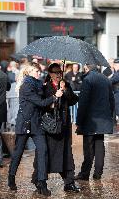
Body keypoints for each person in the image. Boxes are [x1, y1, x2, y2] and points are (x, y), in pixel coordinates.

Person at [8, 62, 63, 196]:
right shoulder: (26, 86)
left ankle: (42, 183)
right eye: (36, 71)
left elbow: (45, 94)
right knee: (18, 152)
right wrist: (55, 96)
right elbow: (41, 102)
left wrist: (58, 87)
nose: (39, 73)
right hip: (25, 124)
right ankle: (11, 177)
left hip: (37, 124)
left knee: (43, 151)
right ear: (29, 72)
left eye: (39, 71)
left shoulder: (39, 85)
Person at [32, 63, 80, 193]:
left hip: (63, 126)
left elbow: (74, 100)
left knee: (66, 154)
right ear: (50, 74)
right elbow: (41, 104)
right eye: (55, 72)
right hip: (50, 126)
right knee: (46, 153)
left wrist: (65, 90)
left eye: (59, 72)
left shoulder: (66, 84)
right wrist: (54, 99)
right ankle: (39, 180)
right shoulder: (45, 87)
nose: (58, 74)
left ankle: (69, 182)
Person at [75, 63, 115, 180]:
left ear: (87, 68)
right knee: (99, 146)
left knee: (88, 148)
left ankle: (85, 173)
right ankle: (98, 173)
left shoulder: (88, 80)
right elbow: (111, 100)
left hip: (90, 121)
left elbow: (83, 103)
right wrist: (110, 116)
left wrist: (79, 120)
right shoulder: (106, 79)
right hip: (103, 119)